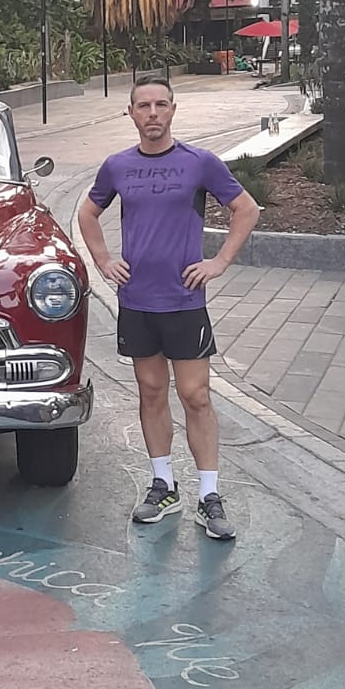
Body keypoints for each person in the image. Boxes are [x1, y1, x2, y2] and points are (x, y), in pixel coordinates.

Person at [77, 75, 261, 540]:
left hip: (184, 300)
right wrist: (103, 260)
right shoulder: (117, 166)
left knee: (196, 395)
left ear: (174, 110)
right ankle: (163, 485)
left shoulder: (199, 163)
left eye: (161, 104)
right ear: (131, 113)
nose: (153, 113)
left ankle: (209, 495)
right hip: (138, 301)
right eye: (144, 106)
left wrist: (219, 261)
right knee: (151, 391)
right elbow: (87, 213)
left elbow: (247, 209)